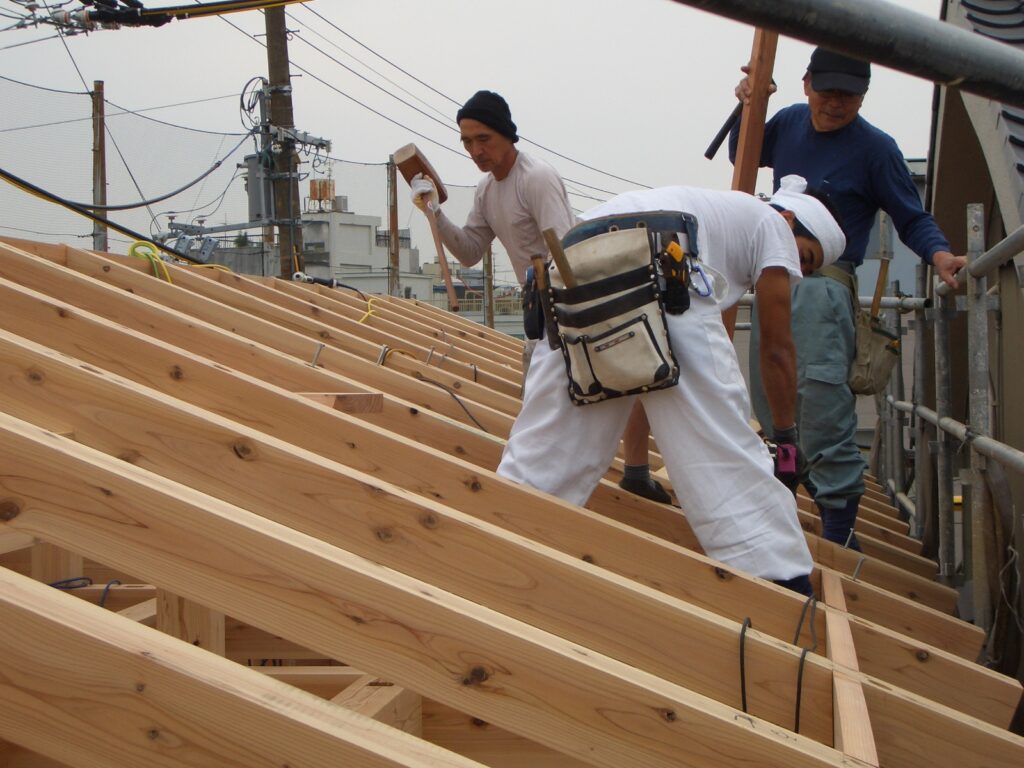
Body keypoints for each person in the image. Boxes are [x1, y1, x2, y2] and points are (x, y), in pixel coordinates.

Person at [496, 181, 846, 597]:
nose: (798, 272)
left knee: (549, 446)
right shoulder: (773, 224)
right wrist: (786, 437)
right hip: (660, 264)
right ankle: (782, 585)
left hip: (574, 268)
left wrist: (638, 468)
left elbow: (644, 383)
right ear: (790, 221)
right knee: (720, 448)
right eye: (804, 258)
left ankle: (496, 548)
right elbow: (776, 347)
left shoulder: (718, 214)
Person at [730, 47, 967, 550]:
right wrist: (749, 108)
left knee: (819, 400)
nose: (835, 104)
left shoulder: (875, 149)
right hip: (776, 272)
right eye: (828, 92)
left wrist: (940, 255)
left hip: (824, 286)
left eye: (849, 97)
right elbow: (743, 155)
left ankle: (839, 526)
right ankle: (803, 493)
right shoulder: (792, 122)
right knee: (773, 404)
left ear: (862, 98)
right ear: (806, 84)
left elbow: (911, 216)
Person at [411, 90, 669, 503]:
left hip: (569, 316)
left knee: (576, 411)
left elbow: (569, 254)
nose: (476, 151)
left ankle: (608, 481)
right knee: (546, 419)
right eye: (467, 142)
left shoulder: (536, 178)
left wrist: (559, 315)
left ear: (507, 135)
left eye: (484, 140)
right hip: (542, 321)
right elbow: (470, 252)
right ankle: (543, 497)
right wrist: (434, 213)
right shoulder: (486, 191)